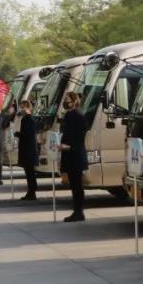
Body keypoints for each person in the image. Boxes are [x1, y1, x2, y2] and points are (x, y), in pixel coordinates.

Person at [58, 91, 88, 222]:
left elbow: (80, 137)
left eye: (68, 100)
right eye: (65, 100)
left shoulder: (78, 116)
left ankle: (78, 212)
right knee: (74, 184)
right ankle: (77, 211)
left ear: (75, 101)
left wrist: (69, 146)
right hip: (69, 154)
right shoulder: (68, 115)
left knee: (77, 185)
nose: (66, 102)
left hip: (75, 154)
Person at [17, 100, 39, 201]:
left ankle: (32, 192)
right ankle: (31, 192)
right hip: (27, 149)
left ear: (27, 107)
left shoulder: (29, 119)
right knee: (29, 172)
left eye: (22, 107)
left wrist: (18, 134)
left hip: (29, 150)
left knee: (30, 172)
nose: (21, 109)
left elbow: (28, 135)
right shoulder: (25, 119)